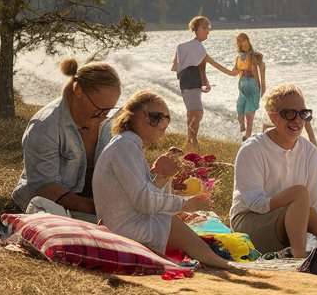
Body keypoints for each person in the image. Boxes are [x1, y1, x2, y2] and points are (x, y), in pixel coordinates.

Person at [92, 90, 244, 270]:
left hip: (123, 224)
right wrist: (187, 203)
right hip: (124, 229)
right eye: (155, 117)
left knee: (173, 221)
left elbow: (145, 197)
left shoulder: (128, 145)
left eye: (167, 118)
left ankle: (214, 259)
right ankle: (220, 262)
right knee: (171, 223)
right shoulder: (125, 146)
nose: (162, 122)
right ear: (132, 116)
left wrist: (163, 176)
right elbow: (144, 203)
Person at [230, 84, 317, 257]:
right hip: (249, 223)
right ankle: (299, 255)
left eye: (303, 114)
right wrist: (293, 200)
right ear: (273, 117)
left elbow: (311, 208)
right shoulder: (252, 149)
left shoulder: (310, 153)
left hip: (291, 226)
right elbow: (257, 204)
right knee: (300, 193)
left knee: (303, 202)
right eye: (289, 113)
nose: (297, 120)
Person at [11, 59, 121, 221]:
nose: (105, 116)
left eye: (110, 109)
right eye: (100, 109)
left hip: (93, 206)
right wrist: (98, 208)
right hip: (47, 207)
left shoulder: (106, 120)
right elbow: (45, 188)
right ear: (78, 90)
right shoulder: (45, 125)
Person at [171, 15, 237, 149]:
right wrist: (233, 73)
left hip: (186, 81)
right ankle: (193, 141)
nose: (208, 30)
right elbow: (214, 64)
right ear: (195, 29)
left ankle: (190, 141)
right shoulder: (198, 47)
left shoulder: (182, 46)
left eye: (209, 27)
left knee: (191, 113)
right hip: (191, 80)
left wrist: (205, 82)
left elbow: (187, 67)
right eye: (205, 27)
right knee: (198, 112)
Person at [231, 33, 272, 143]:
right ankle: (242, 126)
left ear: (248, 41)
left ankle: (247, 135)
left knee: (249, 113)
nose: (242, 43)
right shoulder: (238, 57)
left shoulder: (253, 57)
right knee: (240, 109)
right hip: (242, 85)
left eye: (244, 40)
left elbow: (259, 75)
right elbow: (233, 72)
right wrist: (239, 71)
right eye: (239, 41)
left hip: (252, 84)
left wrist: (261, 90)